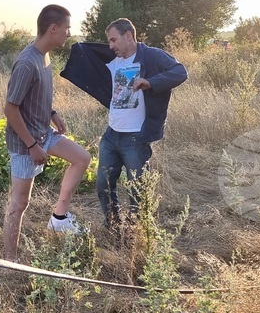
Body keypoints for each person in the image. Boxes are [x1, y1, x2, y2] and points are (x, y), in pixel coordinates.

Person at [60, 17, 188, 229]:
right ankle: (113, 226)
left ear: (128, 35)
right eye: (108, 42)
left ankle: (138, 230)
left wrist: (150, 82)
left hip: (136, 137)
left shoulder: (151, 56)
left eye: (113, 40)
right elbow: (84, 53)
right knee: (103, 185)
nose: (110, 46)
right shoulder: (112, 61)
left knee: (137, 189)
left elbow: (180, 72)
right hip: (111, 135)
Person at [3, 4, 93, 262]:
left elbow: (34, 96)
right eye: (66, 29)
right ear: (53, 29)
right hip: (25, 143)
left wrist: (52, 113)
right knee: (19, 204)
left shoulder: (45, 57)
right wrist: (32, 146)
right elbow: (10, 109)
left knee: (81, 158)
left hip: (43, 133)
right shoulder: (27, 62)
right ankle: (10, 260)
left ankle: (59, 219)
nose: (68, 34)